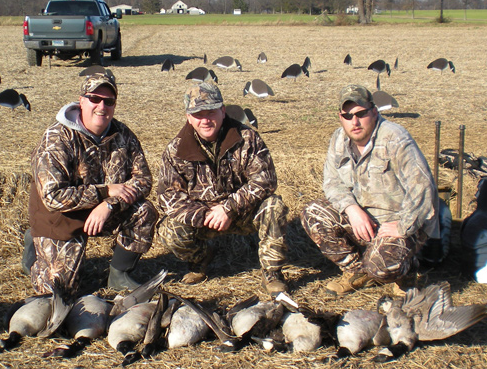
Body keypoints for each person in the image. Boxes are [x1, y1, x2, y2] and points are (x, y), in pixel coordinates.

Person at [301, 84, 439, 296]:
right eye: (347, 116)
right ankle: (357, 272)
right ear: (340, 117)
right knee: (313, 213)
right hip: (365, 221)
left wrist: (402, 226)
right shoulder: (339, 139)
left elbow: (423, 188)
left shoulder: (395, 139)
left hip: (398, 223)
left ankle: (406, 272)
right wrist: (352, 209)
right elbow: (332, 182)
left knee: (380, 266)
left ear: (374, 111)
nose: (354, 122)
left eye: (361, 114)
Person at [27, 71, 157, 295]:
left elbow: (143, 180)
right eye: (94, 99)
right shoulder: (56, 138)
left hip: (102, 210)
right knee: (60, 291)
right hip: (61, 216)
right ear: (81, 101)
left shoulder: (123, 134)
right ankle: (34, 249)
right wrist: (105, 191)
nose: (102, 106)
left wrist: (109, 204)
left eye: (109, 101)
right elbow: (52, 197)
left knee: (144, 211)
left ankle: (119, 274)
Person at [157, 82, 288, 297]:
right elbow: (167, 197)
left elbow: (266, 179)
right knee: (169, 230)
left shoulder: (247, 138)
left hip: (242, 211)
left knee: (273, 206)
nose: (205, 119)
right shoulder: (175, 150)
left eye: (211, 111)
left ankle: (272, 273)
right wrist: (205, 215)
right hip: (205, 218)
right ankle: (200, 258)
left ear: (223, 111)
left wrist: (229, 208)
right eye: (198, 114)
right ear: (188, 117)